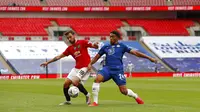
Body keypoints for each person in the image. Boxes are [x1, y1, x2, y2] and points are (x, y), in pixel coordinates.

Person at [88, 30, 157, 106]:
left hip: (118, 71)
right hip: (107, 69)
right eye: (110, 36)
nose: (110, 38)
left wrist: (149, 58)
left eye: (112, 37)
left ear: (117, 38)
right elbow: (97, 57)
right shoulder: (106, 47)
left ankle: (135, 96)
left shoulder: (122, 46)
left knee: (124, 91)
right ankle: (95, 102)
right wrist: (90, 64)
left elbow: (136, 53)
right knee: (97, 79)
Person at [40, 30, 98, 105]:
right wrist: (48, 62)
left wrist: (96, 45)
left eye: (70, 37)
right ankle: (68, 101)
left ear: (74, 35)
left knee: (74, 82)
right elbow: (59, 56)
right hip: (76, 68)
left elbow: (93, 45)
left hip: (85, 67)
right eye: (68, 38)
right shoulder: (70, 49)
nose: (69, 39)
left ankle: (87, 95)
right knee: (66, 84)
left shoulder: (82, 42)